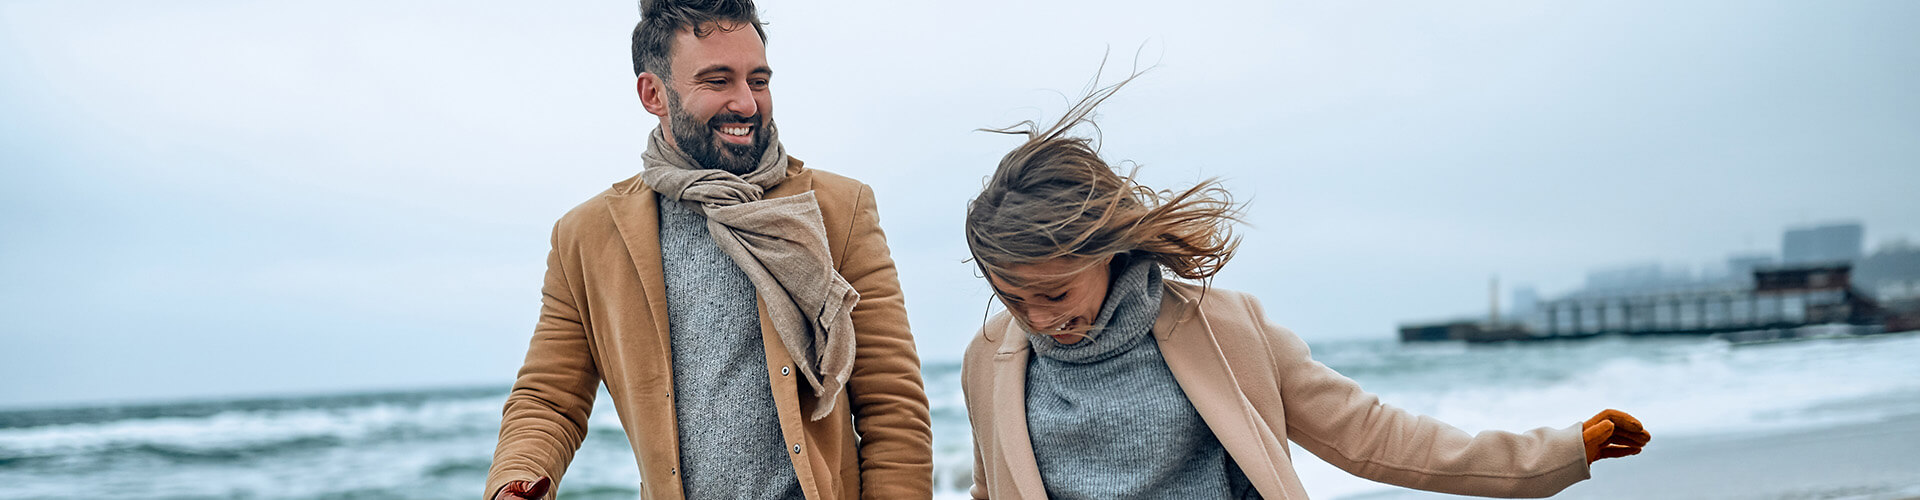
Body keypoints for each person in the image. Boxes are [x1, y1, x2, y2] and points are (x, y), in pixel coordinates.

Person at [959, 78, 1649, 499]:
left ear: (1108, 248)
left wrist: (1557, 453)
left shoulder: (1222, 329)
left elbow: (1372, 434)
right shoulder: (990, 358)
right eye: (1012, 298)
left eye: (1054, 293)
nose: (1039, 319)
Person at [485, 1, 933, 499]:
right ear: (653, 93)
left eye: (758, 81)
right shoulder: (587, 237)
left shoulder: (837, 209)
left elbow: (893, 405)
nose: (745, 103)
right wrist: (516, 482)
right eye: (718, 81)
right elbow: (549, 399)